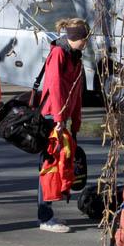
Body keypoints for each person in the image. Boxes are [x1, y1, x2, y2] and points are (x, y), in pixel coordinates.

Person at [37, 18, 89, 233]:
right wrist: (59, 119)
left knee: (56, 165)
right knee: (48, 166)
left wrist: (75, 122)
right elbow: (55, 86)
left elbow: (76, 92)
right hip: (52, 116)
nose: (87, 42)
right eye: (85, 38)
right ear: (77, 37)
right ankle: (45, 217)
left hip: (61, 118)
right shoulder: (59, 53)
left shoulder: (75, 56)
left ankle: (47, 213)